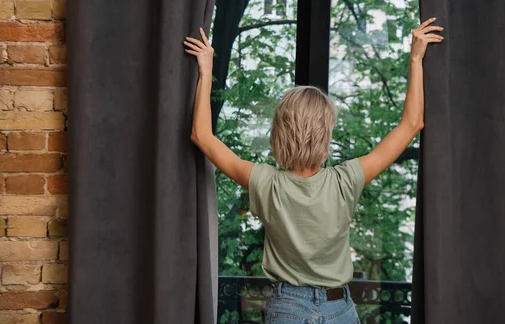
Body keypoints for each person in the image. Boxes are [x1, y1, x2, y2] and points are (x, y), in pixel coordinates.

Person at [184, 18, 443, 324]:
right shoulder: (346, 180)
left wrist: (205, 70)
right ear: (325, 135)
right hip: (340, 309)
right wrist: (416, 58)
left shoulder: (265, 183)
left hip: (288, 310)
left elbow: (202, 135)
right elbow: (411, 124)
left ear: (279, 133)